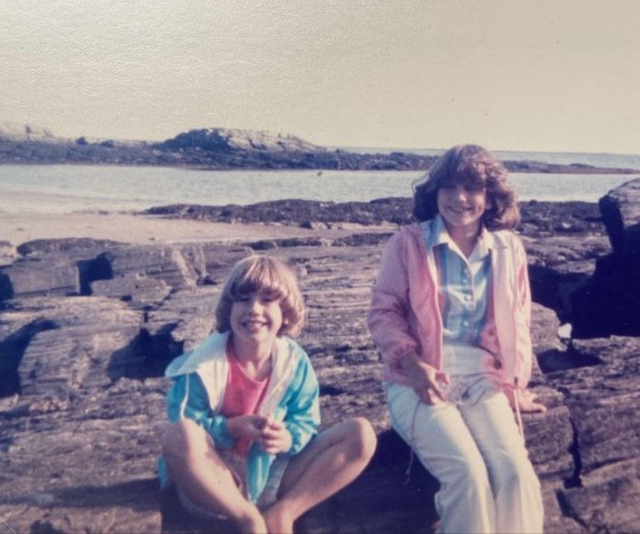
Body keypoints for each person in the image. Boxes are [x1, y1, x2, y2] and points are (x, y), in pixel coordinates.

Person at [368, 144, 546, 534]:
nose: (460, 198)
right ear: (435, 192)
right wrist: (414, 366)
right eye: (449, 187)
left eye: (472, 188)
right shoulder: (408, 244)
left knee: (516, 475)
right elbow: (384, 313)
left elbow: (519, 318)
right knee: (468, 477)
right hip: (416, 381)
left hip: (485, 380)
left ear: (490, 198)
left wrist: (514, 385)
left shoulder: (509, 249)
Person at [159, 255, 377, 534]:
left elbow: (306, 421)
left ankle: (284, 512)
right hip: (216, 483)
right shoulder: (202, 365)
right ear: (229, 309)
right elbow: (185, 423)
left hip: (271, 471)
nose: (254, 309)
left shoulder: (294, 362)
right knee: (180, 434)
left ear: (285, 312)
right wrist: (230, 427)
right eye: (244, 299)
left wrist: (288, 438)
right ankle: (247, 519)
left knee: (361, 434)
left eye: (266, 300)